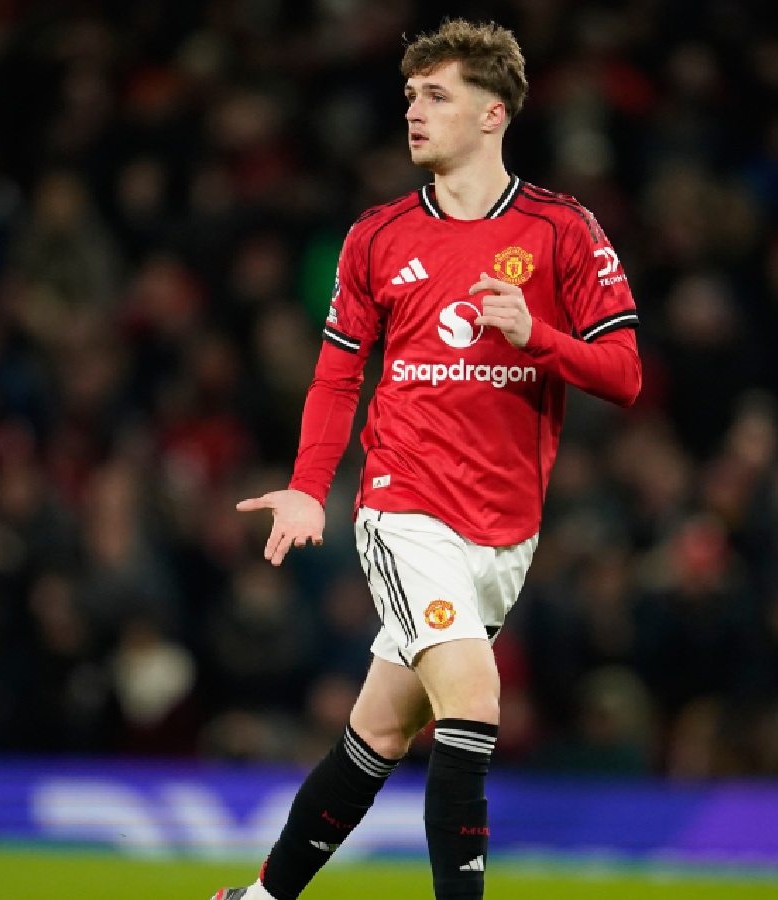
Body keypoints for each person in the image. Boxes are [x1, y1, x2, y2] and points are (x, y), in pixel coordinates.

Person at [218, 19, 641, 900]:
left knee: (377, 733)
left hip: (506, 531)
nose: (413, 110)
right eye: (410, 94)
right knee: (476, 699)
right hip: (404, 507)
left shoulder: (562, 231)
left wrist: (540, 336)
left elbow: (627, 373)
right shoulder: (376, 238)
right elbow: (338, 376)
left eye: (436, 95)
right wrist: (308, 489)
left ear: (493, 115)